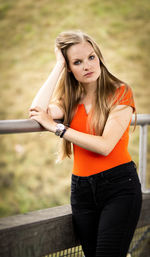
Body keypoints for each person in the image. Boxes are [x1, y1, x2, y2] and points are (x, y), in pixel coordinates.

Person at [29, 30, 142, 257]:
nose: (87, 66)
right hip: (81, 191)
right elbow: (37, 110)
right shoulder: (70, 99)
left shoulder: (120, 92)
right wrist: (58, 65)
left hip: (119, 187)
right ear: (70, 68)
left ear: (98, 56)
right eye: (77, 62)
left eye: (91, 57)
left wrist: (57, 127)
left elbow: (105, 145)